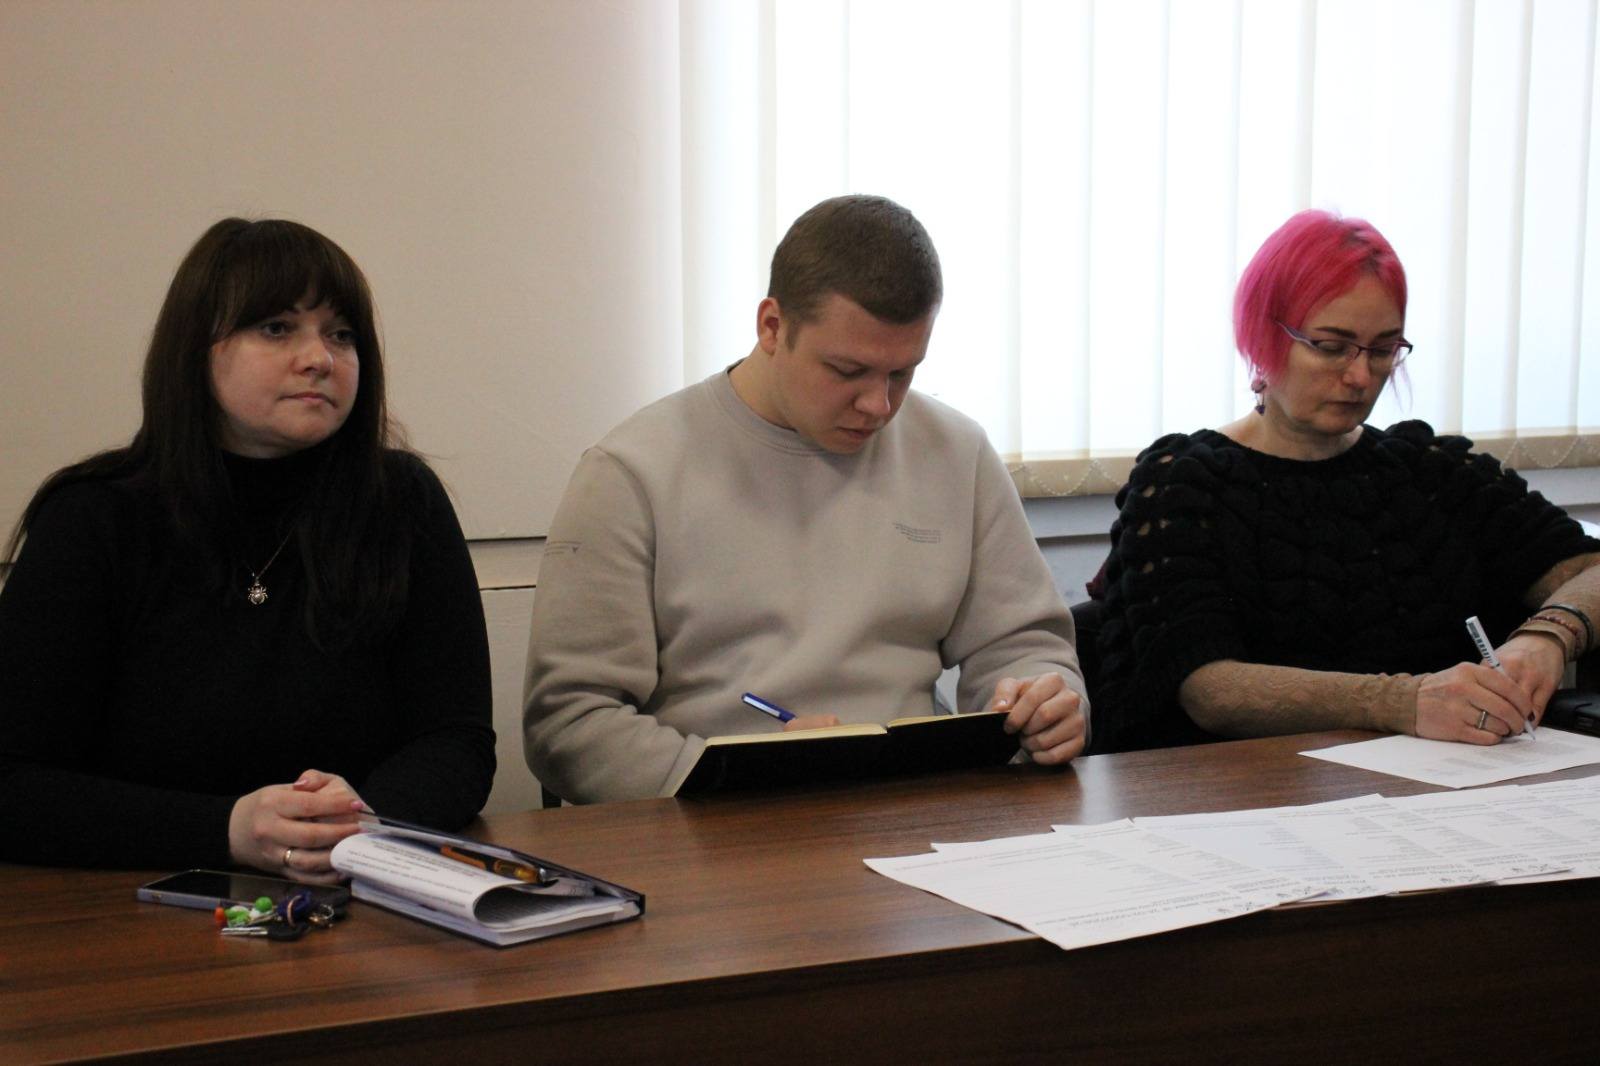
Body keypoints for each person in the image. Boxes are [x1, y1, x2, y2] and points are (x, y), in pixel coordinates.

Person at [524, 194, 1087, 803]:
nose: (878, 405)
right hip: (723, 819)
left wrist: (1043, 698)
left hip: (916, 808)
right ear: (772, 327)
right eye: (847, 371)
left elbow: (1024, 646)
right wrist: (750, 773)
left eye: (902, 373)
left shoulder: (955, 452)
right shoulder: (633, 472)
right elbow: (572, 725)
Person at [0, 218, 495, 881]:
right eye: (277, 328)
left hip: (358, 893)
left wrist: (364, 822)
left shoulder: (402, 502)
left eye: (342, 334)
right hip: (131, 904)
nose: (320, 358)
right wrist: (228, 830)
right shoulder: (94, 517)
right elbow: (14, 785)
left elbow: (457, 740)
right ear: (195, 349)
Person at [1091, 209, 1600, 753]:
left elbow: (1586, 569)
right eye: (1331, 346)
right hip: (1250, 784)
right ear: (1263, 336)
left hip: (1447, 785)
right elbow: (1208, 687)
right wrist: (1401, 701)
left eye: (1383, 350)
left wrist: (1549, 635)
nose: (1360, 376)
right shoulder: (1184, 483)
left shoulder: (1432, 471)